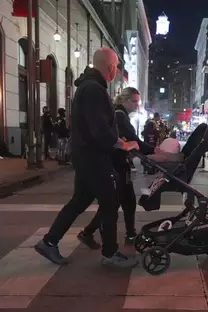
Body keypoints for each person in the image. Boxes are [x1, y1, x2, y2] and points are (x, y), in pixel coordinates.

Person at [34, 48, 138, 268]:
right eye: (115, 68)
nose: (115, 72)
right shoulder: (94, 90)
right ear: (110, 67)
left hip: (85, 156)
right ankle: (110, 253)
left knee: (79, 201)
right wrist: (119, 143)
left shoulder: (89, 87)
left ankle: (49, 241)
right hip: (94, 158)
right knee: (110, 202)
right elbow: (98, 127)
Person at [78, 87, 154, 248]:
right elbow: (132, 138)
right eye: (134, 101)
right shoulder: (120, 116)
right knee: (113, 203)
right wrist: (152, 150)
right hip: (116, 163)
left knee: (127, 200)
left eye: (137, 102)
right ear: (125, 100)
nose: (136, 105)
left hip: (119, 162)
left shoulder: (120, 114)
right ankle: (90, 232)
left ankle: (130, 233)